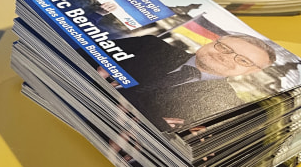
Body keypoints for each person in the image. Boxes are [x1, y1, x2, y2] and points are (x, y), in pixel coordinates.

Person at [99, 33, 276, 131]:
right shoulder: (149, 45)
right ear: (213, 42)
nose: (225, 56)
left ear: (253, 70)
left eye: (243, 60)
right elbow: (80, 54)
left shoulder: (228, 107)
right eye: (224, 47)